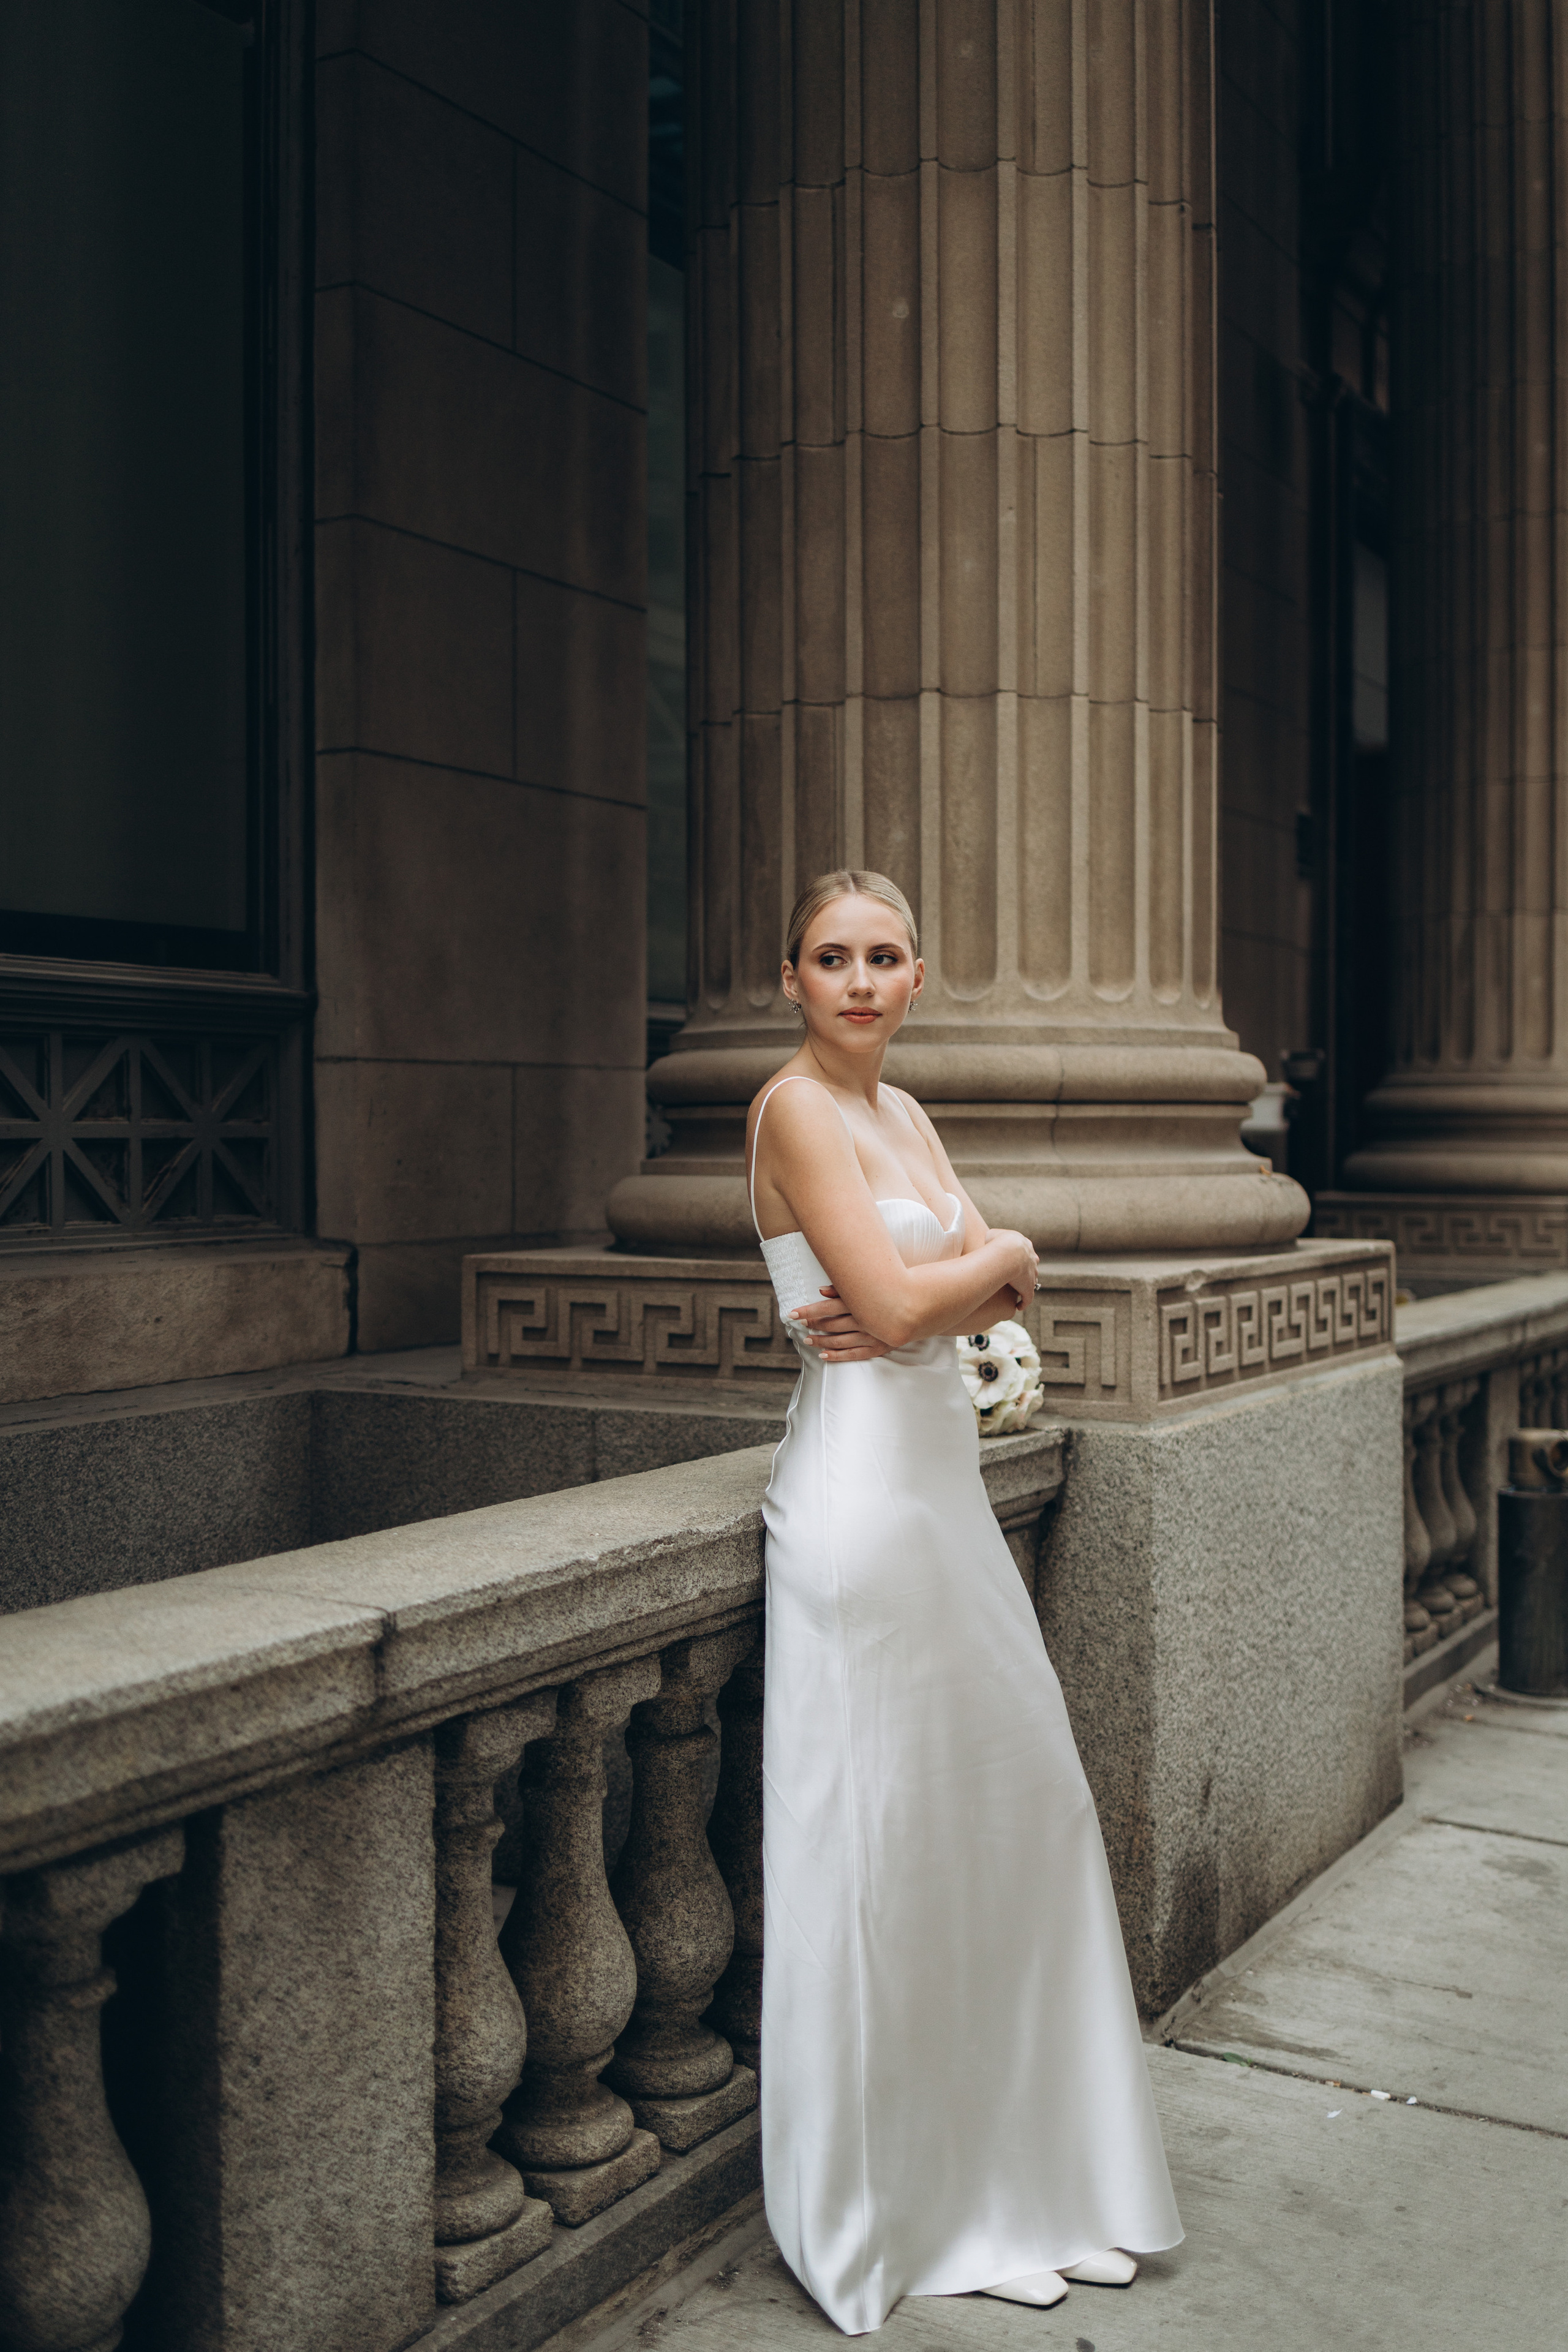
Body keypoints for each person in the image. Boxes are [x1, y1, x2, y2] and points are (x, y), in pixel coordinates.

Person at [747, 869, 1182, 2334]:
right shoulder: (793, 1109)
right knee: (894, 1862)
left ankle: (1027, 2181)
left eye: (882, 957)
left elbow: (952, 1300)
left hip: (941, 1506)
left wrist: (966, 1280)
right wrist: (981, 1268)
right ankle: (922, 2213)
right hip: (862, 1518)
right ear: (791, 978)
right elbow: (919, 1303)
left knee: (1018, 1827)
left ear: (917, 977)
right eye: (830, 958)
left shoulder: (907, 1116)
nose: (858, 981)